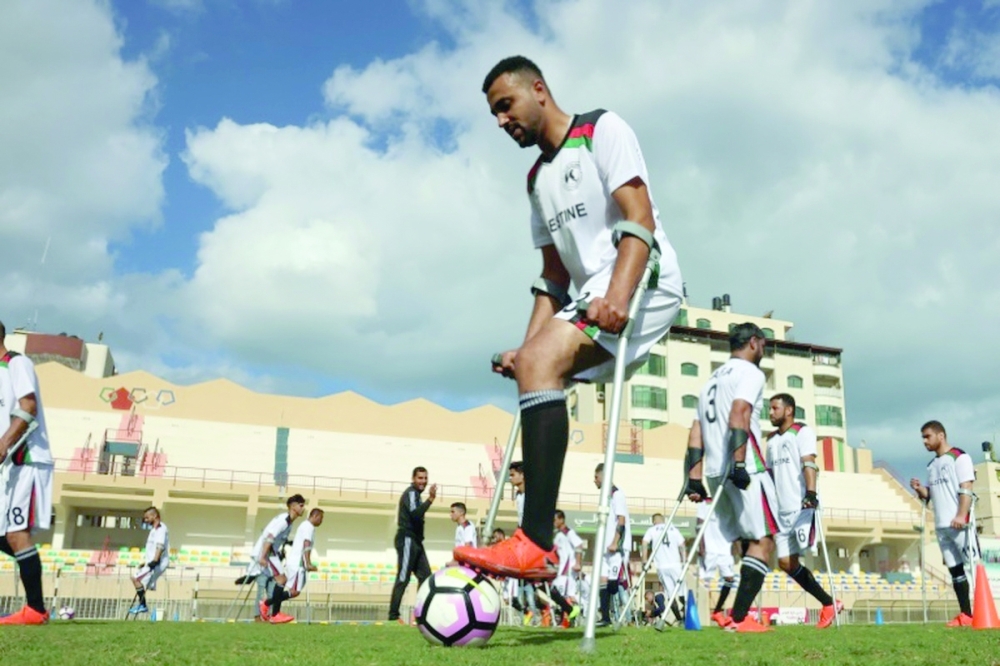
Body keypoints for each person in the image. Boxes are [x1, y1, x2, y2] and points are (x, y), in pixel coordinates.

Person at [454, 56, 684, 580]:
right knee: (535, 365)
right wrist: (526, 349)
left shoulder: (601, 129)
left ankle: (536, 544)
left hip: (645, 276)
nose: (500, 122)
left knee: (542, 359)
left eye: (505, 106)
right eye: (493, 114)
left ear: (538, 90)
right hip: (591, 293)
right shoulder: (536, 179)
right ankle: (535, 547)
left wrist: (621, 295)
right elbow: (553, 278)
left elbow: (638, 217)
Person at [684, 323, 776, 633]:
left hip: (712, 470)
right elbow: (740, 413)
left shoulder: (710, 380)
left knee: (748, 540)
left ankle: (735, 616)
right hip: (741, 464)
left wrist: (693, 477)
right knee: (763, 540)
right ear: (754, 342)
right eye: (763, 345)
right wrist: (739, 464)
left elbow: (696, 430)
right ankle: (738, 619)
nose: (763, 351)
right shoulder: (750, 373)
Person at [766, 393, 841, 628]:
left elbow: (809, 462)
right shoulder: (770, 440)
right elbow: (769, 475)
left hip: (801, 507)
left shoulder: (802, 431)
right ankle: (829, 603)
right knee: (786, 563)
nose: (770, 413)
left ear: (788, 410)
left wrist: (811, 493)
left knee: (806, 554)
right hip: (780, 511)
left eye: (775, 408)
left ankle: (829, 605)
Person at [0, 320, 55, 625]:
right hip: (11, 464)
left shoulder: (17, 363)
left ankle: (35, 609)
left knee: (16, 533)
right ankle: (30, 563)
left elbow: (28, 405)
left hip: (28, 458)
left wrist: (4, 443)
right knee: (7, 535)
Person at [910, 420, 977, 627]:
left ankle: (985, 612)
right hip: (941, 527)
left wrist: (961, 515)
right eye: (922, 437)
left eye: (927, 436)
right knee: (955, 571)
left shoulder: (959, 457)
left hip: (959, 525)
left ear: (941, 436)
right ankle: (966, 615)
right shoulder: (931, 465)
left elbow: (966, 488)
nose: (924, 441)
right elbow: (932, 494)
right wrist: (921, 490)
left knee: (976, 567)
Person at [388, 466, 436, 623]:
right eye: (420, 478)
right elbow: (415, 514)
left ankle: (420, 614)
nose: (423, 481)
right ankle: (393, 616)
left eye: (425, 478)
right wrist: (430, 499)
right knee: (403, 577)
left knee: (425, 576)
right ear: (413, 479)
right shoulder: (410, 493)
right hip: (407, 538)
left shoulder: (417, 495)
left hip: (416, 540)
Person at [249, 494, 306, 622]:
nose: (303, 508)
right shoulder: (284, 520)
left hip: (271, 553)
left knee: (282, 580)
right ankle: (272, 612)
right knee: (281, 580)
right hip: (267, 553)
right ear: (293, 506)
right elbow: (270, 536)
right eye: (301, 505)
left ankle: (271, 610)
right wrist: (263, 556)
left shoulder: (289, 523)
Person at [262, 508, 324, 624]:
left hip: (294, 562)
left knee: (286, 586)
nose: (322, 521)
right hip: (298, 564)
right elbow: (306, 544)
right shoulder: (308, 527)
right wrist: (308, 563)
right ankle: (268, 606)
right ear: (315, 516)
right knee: (294, 591)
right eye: (321, 518)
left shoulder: (305, 526)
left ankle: (272, 611)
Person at [593, 462, 631, 627]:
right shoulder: (605, 497)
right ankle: (605, 618)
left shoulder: (617, 495)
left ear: (603, 476)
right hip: (604, 548)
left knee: (614, 585)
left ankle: (626, 616)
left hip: (617, 548)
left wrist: (615, 542)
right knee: (602, 580)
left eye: (596, 477)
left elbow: (621, 520)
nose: (594, 481)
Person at [695, 493, 738, 627]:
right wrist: (701, 545)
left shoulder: (729, 502)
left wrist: (734, 547)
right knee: (706, 581)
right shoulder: (706, 503)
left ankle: (717, 610)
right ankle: (700, 616)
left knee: (730, 579)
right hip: (710, 549)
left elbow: (733, 527)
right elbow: (699, 525)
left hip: (725, 548)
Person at [640, 513, 685, 625]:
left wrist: (645, 560)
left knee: (670, 595)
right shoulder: (674, 529)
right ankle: (686, 616)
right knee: (682, 592)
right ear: (663, 520)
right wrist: (685, 560)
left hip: (662, 566)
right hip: (676, 565)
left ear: (654, 521)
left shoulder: (652, 530)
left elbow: (644, 542)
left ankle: (679, 619)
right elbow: (682, 544)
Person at [128, 507, 170, 615]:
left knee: (136, 578)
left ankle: (142, 605)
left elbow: (160, 546)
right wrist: (146, 562)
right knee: (136, 578)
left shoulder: (161, 529)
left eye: (147, 517)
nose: (145, 520)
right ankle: (142, 605)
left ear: (154, 516)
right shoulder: (154, 529)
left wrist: (155, 561)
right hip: (152, 561)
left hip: (157, 562)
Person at [552, 510, 583, 628]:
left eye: (554, 520)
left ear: (561, 519)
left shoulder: (569, 533)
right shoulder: (558, 534)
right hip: (560, 570)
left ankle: (566, 621)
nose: (553, 522)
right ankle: (570, 617)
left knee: (561, 594)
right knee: (561, 594)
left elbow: (579, 545)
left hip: (568, 570)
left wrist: (578, 563)